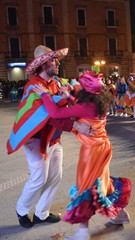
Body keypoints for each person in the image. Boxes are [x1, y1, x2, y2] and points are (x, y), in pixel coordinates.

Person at [34, 70, 132, 240]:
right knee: (104, 183)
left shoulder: (85, 106)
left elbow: (56, 114)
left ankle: (82, 232)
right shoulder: (98, 101)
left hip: (92, 151)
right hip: (103, 147)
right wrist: (69, 96)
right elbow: (82, 107)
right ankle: (121, 214)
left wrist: (44, 95)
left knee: (86, 186)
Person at [6, 45, 94, 228]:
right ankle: (21, 210)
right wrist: (76, 125)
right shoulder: (33, 86)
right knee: (39, 177)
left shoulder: (56, 83)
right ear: (43, 64)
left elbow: (74, 90)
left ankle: (41, 213)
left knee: (56, 176)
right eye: (53, 60)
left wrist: (72, 89)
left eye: (56, 60)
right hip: (35, 140)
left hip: (53, 138)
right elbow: (52, 116)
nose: (57, 63)